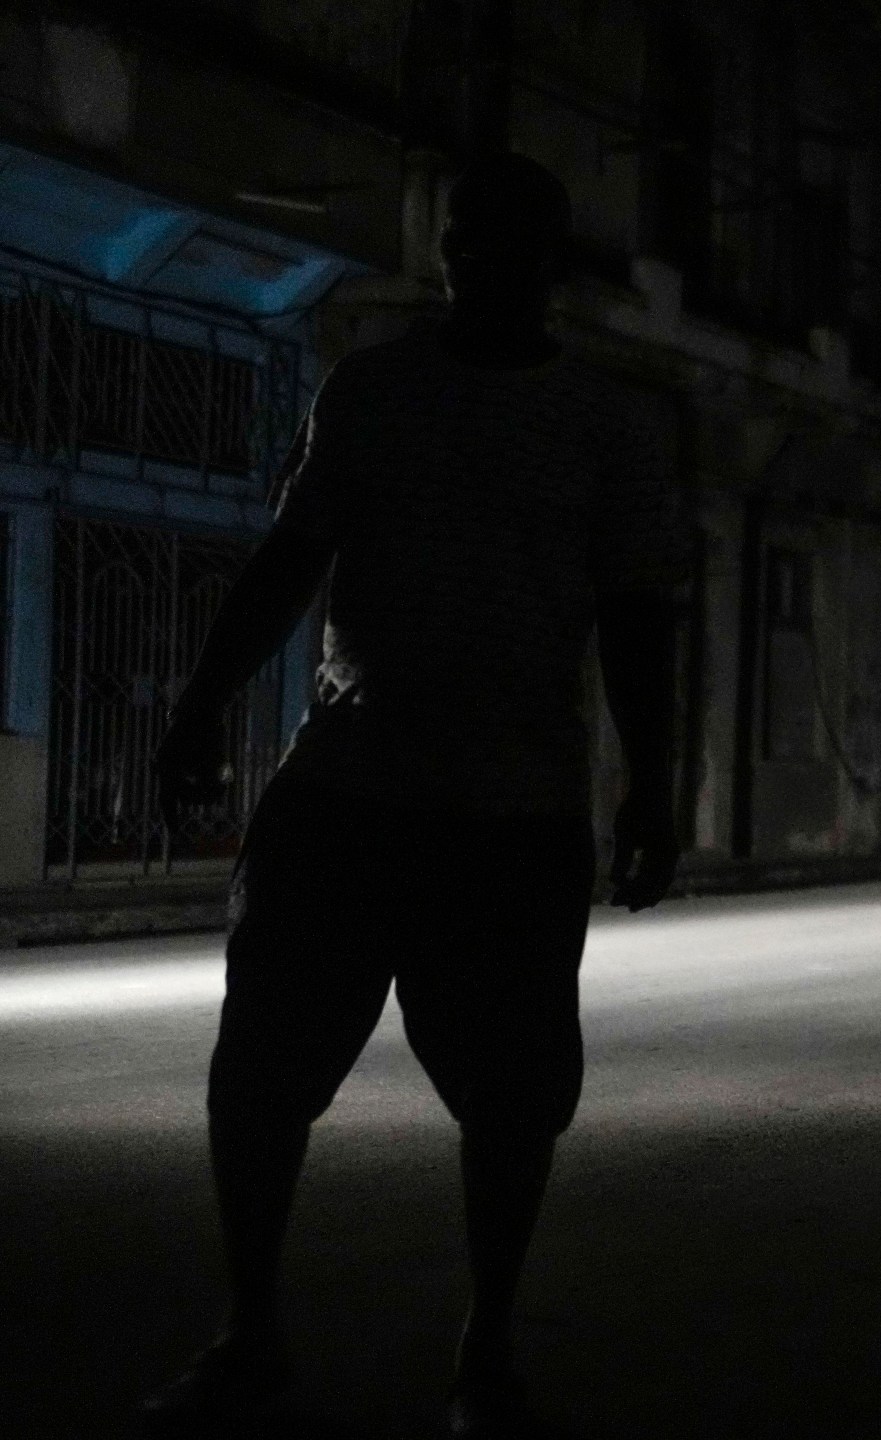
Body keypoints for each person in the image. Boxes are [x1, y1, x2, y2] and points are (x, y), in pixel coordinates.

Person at [142, 154, 684, 1437]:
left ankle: (486, 1349)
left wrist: (653, 789)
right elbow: (289, 562)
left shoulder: (606, 427)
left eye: (501, 243)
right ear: (442, 252)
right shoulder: (373, 390)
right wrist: (200, 708)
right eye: (458, 242)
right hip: (345, 789)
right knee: (259, 1074)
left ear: (550, 266)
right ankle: (248, 1332)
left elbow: (638, 619)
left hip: (511, 812)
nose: (473, 264)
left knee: (510, 1100)